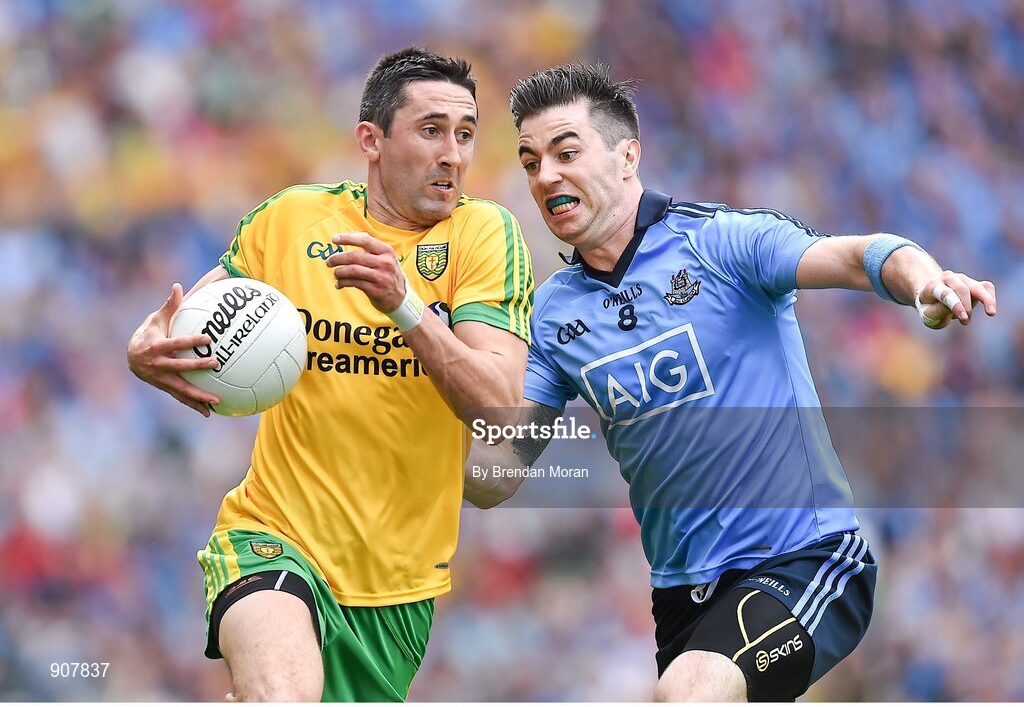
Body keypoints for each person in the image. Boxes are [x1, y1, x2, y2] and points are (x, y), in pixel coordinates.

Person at [464, 63, 997, 702]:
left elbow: (860, 255)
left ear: (627, 156)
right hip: (682, 598)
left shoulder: (720, 243)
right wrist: (422, 335)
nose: (545, 175)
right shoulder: (551, 315)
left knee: (690, 692)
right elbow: (495, 474)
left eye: (566, 152)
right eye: (529, 162)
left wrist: (928, 284)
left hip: (806, 558)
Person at [127, 47, 533, 702]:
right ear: (371, 140)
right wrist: (145, 352)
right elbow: (184, 326)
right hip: (271, 539)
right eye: (431, 130)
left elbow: (500, 407)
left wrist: (404, 305)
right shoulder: (289, 221)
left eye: (464, 134)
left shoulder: (484, 236)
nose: (453, 154)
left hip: (396, 592)